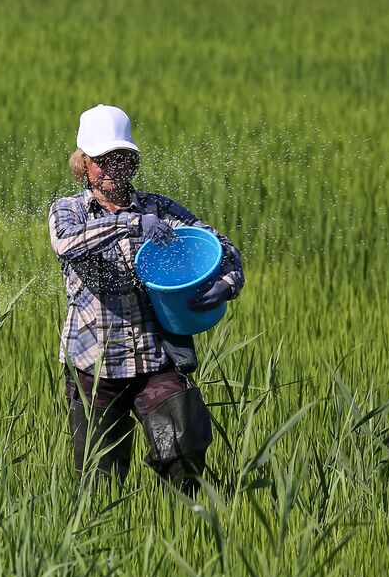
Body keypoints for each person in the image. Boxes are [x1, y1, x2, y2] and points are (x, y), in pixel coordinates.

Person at [48, 104, 244, 494]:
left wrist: (230, 280)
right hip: (93, 365)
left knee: (185, 451)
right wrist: (132, 223)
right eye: (101, 161)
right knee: (99, 483)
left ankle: (189, 525)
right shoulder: (68, 211)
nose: (111, 169)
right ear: (83, 165)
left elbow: (220, 246)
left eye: (120, 159)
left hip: (155, 357)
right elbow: (67, 244)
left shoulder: (160, 208)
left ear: (132, 163)